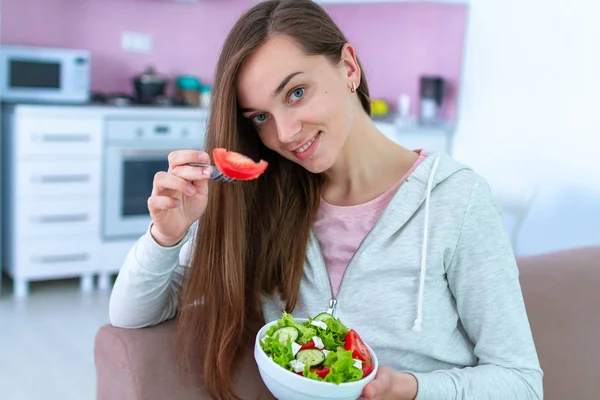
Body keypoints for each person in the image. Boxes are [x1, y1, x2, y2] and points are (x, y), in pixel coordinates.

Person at [109, 1, 543, 399]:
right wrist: (166, 235)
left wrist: (411, 389)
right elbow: (130, 315)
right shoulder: (260, 198)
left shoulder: (458, 201)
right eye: (260, 117)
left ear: (348, 67)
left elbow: (521, 382)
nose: (284, 133)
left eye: (296, 92)